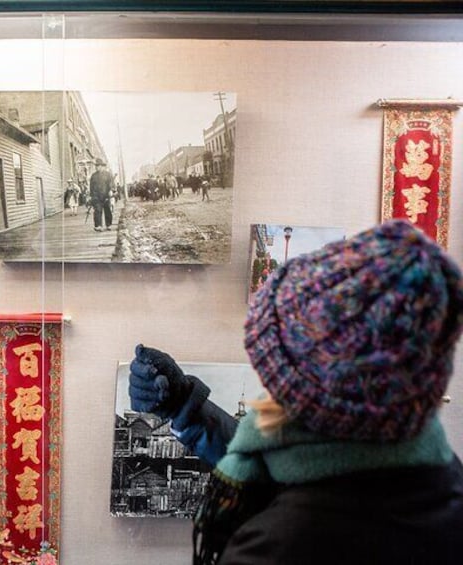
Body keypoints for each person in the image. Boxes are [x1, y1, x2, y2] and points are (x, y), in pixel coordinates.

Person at [129, 220, 463, 565]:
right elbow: (286, 466)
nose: (268, 389)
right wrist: (186, 406)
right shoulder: (432, 473)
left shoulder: (278, 547)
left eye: (273, 372)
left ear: (312, 392)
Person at [89, 158, 114, 232]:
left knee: (107, 210)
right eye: (96, 166)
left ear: (102, 166)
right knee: (97, 211)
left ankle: (108, 224)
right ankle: (98, 226)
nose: (97, 167)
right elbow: (91, 187)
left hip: (106, 195)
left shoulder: (108, 174)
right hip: (96, 196)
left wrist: (111, 191)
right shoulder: (93, 176)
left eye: (99, 166)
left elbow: (111, 184)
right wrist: (92, 196)